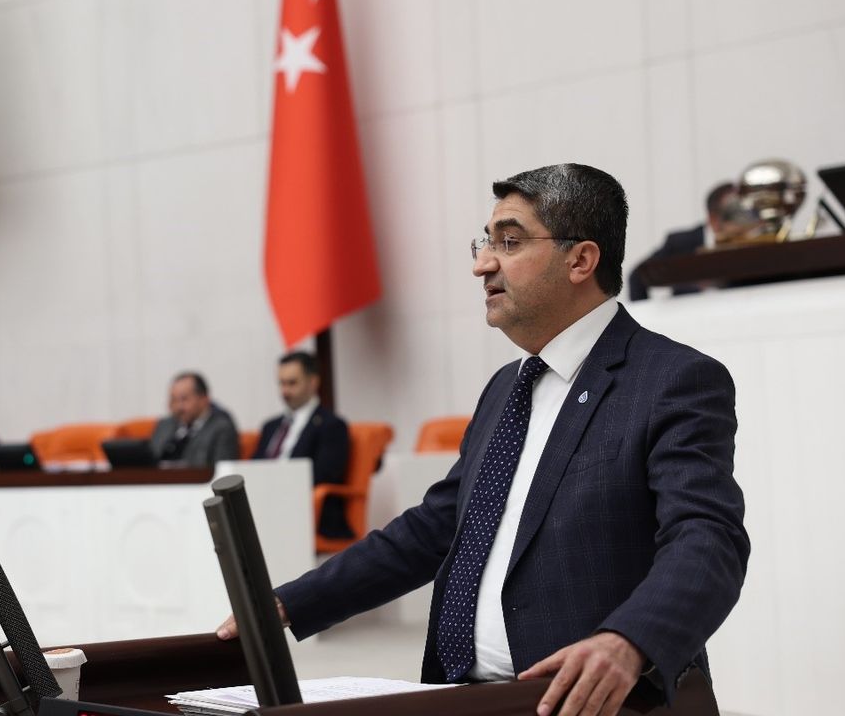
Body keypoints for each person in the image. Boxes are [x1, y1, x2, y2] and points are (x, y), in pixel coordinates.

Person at [220, 164, 749, 716]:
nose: (482, 264)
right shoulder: (506, 388)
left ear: (581, 260)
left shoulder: (672, 380)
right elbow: (436, 528)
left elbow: (708, 538)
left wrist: (630, 640)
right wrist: (289, 603)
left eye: (509, 242)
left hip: (590, 702)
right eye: (485, 242)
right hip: (464, 698)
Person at [252, 351, 352, 539]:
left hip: (304, 510)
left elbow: (324, 475)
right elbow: (254, 469)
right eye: (281, 383)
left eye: (292, 383)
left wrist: (277, 490)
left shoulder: (331, 425)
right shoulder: (270, 426)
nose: (285, 391)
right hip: (265, 505)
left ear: (313, 382)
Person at [626, 182, 736, 301]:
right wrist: (645, 311)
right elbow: (637, 278)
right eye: (734, 214)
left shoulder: (750, 245)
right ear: (713, 219)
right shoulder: (680, 244)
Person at [148, 372, 240, 467]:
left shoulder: (221, 428)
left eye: (184, 399)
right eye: (173, 400)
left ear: (204, 399)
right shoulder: (164, 425)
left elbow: (224, 470)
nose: (178, 407)